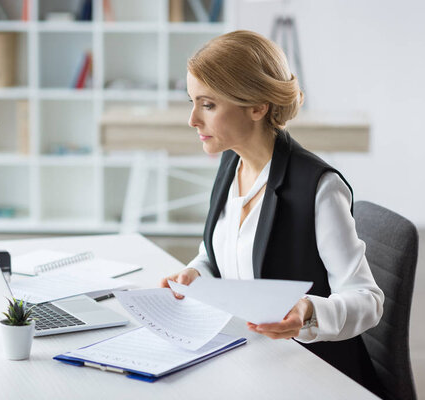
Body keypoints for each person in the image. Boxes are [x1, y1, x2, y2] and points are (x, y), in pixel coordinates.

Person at [159, 30, 385, 396]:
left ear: (257, 107)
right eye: (192, 102)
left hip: (308, 375)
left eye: (208, 105)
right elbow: (218, 252)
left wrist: (309, 313)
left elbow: (368, 299)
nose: (192, 120)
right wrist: (195, 273)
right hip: (247, 361)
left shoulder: (318, 188)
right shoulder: (231, 162)